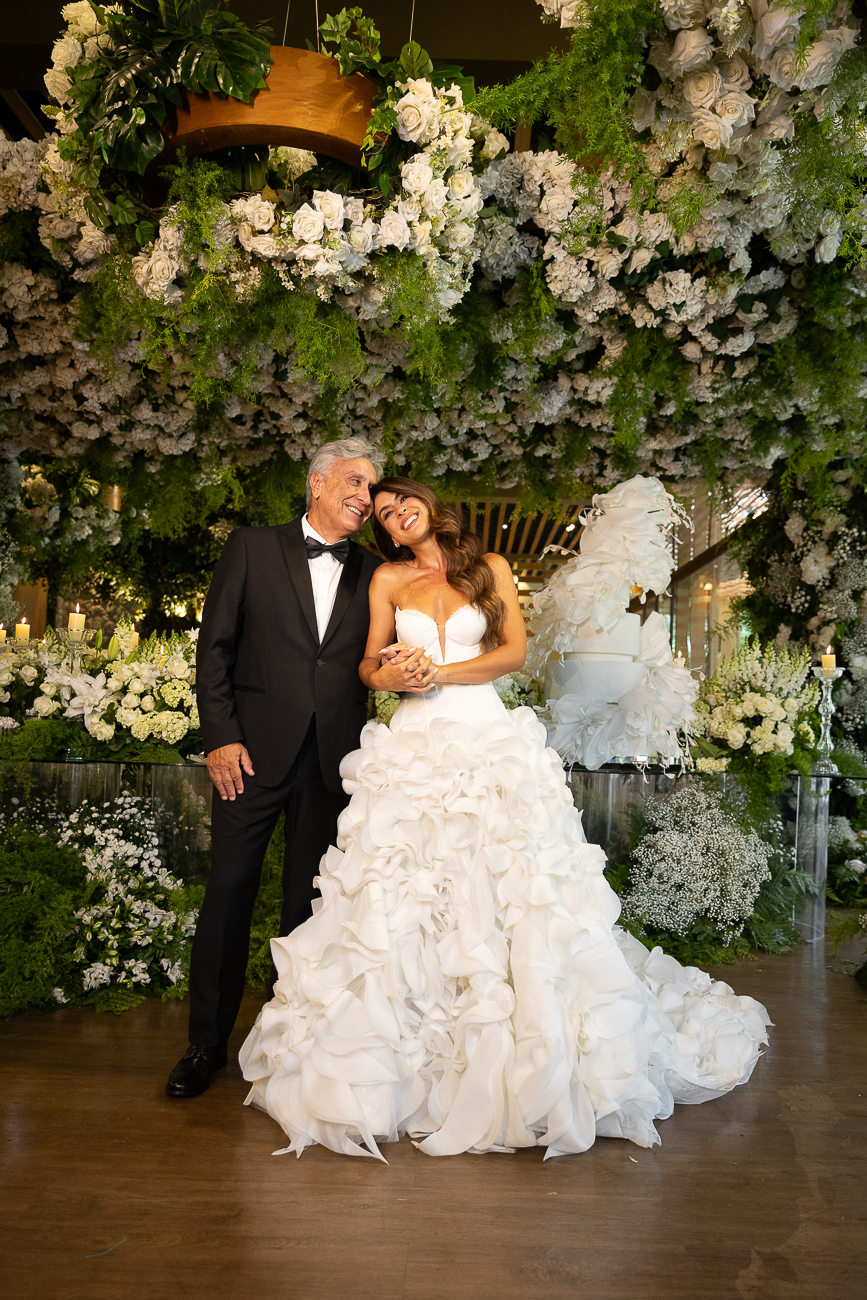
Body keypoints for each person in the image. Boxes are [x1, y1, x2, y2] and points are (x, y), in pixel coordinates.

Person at [239, 478, 772, 1159]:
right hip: (414, 744)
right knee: (405, 886)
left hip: (486, 736)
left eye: (404, 503)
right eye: (385, 515)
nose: (397, 516)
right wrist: (391, 676)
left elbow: (512, 654)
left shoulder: (488, 567)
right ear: (386, 532)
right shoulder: (388, 580)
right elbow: (367, 664)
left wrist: (439, 674)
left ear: (427, 505)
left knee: (509, 880)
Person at [166, 437, 414, 1099]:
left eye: (371, 488)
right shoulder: (251, 547)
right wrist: (221, 737)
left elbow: (381, 657)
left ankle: (288, 1046)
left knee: (309, 908)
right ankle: (204, 1046)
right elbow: (214, 650)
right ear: (317, 482)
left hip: (335, 760)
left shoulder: (376, 571)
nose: (366, 497)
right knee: (228, 896)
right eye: (355, 482)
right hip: (248, 756)